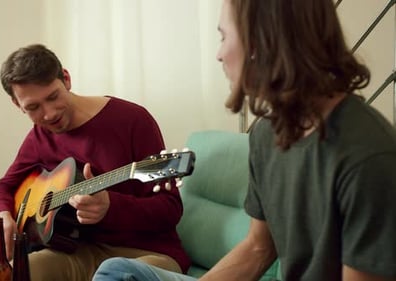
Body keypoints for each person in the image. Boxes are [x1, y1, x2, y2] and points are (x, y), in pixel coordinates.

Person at [92, 0, 396, 280]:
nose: (219, 53)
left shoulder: (367, 158)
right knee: (116, 272)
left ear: (262, 40)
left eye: (224, 36)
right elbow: (257, 248)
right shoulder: (267, 135)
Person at [0, 44, 190, 281]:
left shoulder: (132, 120)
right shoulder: (40, 136)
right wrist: (1, 216)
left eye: (53, 97)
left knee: (115, 274)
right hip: (78, 253)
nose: (49, 114)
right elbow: (3, 187)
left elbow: (170, 209)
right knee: (13, 273)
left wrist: (111, 207)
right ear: (17, 105)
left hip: (147, 253)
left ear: (66, 79)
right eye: (33, 107)